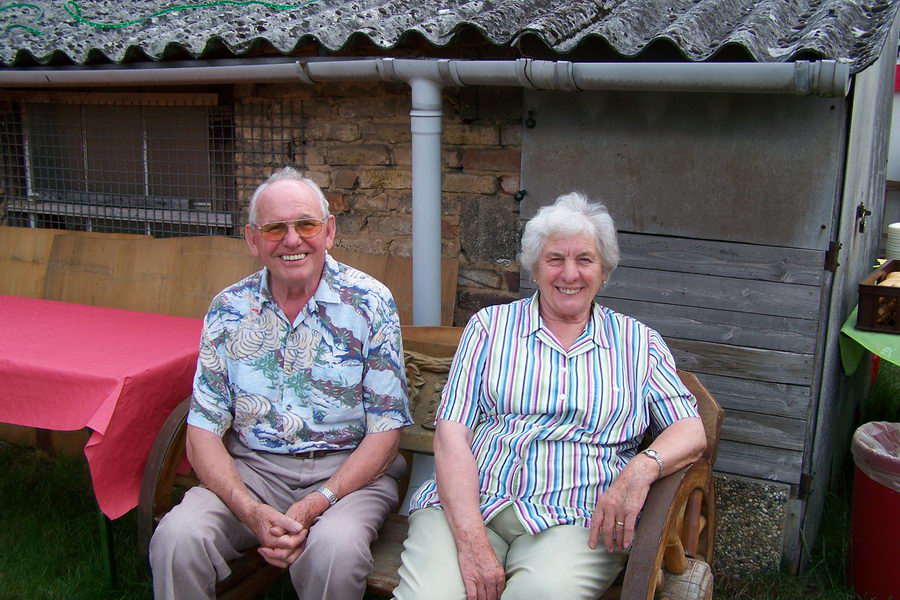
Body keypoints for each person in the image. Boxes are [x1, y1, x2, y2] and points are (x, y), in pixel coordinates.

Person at [393, 192, 707, 600]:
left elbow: (690, 429)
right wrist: (470, 541)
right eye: (555, 259)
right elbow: (451, 434)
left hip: (576, 518)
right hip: (472, 503)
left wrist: (639, 471)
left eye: (585, 259)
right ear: (535, 268)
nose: (569, 273)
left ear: (605, 271)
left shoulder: (638, 343)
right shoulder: (490, 327)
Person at [149, 166, 412, 600]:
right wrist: (249, 510)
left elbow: (386, 429)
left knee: (335, 551)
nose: (292, 240)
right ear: (253, 240)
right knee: (177, 538)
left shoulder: (369, 302)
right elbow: (203, 428)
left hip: (347, 474)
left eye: (306, 225)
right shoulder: (228, 309)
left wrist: (318, 502)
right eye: (275, 228)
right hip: (252, 470)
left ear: (328, 232)